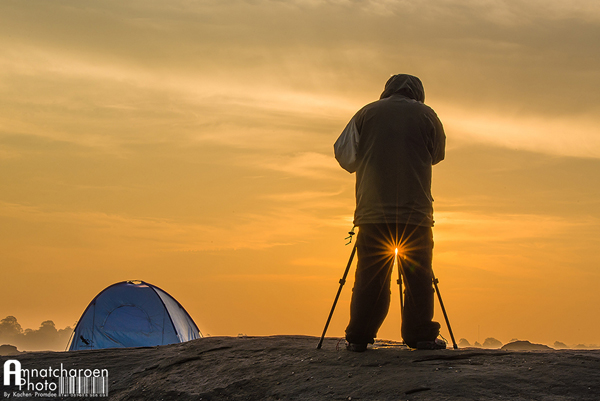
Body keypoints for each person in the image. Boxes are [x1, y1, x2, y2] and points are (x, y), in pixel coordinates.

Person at [334, 74, 446, 351]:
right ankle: (420, 334)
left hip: (373, 211)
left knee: (370, 276)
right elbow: (437, 155)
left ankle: (359, 335)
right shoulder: (427, 115)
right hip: (415, 211)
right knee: (418, 277)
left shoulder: (366, 113)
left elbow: (344, 156)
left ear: (387, 90)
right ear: (418, 93)